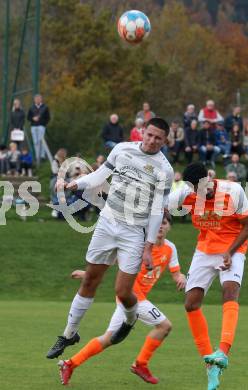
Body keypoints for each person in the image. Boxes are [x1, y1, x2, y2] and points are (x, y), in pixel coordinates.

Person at [46, 117, 174, 359]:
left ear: (165, 141)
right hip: (107, 223)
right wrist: (74, 185)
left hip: (134, 231)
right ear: (142, 132)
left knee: (123, 292)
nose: (152, 140)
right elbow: (99, 176)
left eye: (158, 138)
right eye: (149, 135)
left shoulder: (164, 170)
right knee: (90, 281)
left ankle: (128, 320)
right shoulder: (121, 149)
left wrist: (148, 247)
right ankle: (68, 334)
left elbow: (157, 209)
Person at [57, 212, 186, 385]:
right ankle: (140, 364)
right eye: (158, 223)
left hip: (132, 301)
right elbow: (112, 259)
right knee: (164, 326)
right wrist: (88, 274)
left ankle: (69, 364)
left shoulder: (170, 248)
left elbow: (176, 273)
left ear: (169, 226)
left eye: (165, 223)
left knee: (109, 338)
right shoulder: (140, 245)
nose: (161, 226)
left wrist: (181, 278)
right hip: (131, 296)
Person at [168, 162, 248, 390]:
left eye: (199, 185)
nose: (196, 191)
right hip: (204, 250)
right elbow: (159, 208)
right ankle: (211, 363)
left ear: (209, 177)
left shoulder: (233, 191)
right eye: (192, 187)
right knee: (191, 304)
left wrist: (230, 252)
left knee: (230, 291)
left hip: (232, 248)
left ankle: (223, 352)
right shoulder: (185, 194)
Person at [27, 94, 50, 160]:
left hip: (41, 126)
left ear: (41, 99)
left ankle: (42, 156)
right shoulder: (31, 107)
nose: (37, 100)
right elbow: (28, 117)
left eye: (39, 99)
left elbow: (48, 118)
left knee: (41, 141)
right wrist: (33, 118)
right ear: (34, 100)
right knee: (35, 142)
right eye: (36, 99)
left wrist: (43, 123)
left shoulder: (45, 107)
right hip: (33, 127)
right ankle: (37, 157)